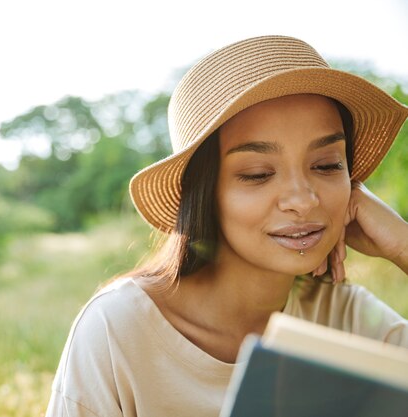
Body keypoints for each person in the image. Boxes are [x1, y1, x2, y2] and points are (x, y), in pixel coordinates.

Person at [45, 35, 408, 417]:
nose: (303, 200)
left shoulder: (345, 319)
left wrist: (401, 244)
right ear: (204, 193)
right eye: (257, 174)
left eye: (326, 165)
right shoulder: (116, 330)